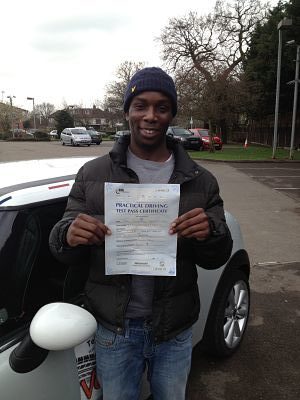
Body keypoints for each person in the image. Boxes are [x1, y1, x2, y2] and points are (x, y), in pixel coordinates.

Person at [49, 67, 233, 400]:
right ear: (127, 111)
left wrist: (211, 233)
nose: (150, 116)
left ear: (171, 114)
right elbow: (62, 245)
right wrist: (69, 234)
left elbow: (217, 256)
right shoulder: (93, 173)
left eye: (161, 107)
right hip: (114, 331)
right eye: (141, 106)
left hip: (173, 329)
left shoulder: (200, 179)